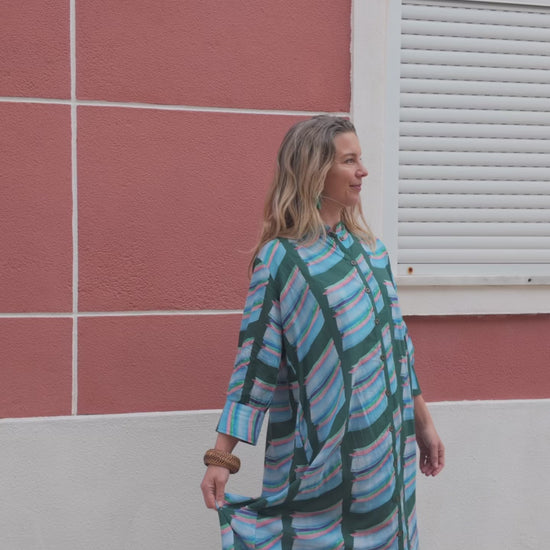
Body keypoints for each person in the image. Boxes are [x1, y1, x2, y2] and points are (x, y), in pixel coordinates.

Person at [200, 115, 444, 549]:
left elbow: (398, 348)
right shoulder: (281, 260)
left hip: (388, 458)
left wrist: (423, 423)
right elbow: (255, 365)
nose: (363, 171)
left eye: (360, 159)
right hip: (325, 464)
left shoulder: (372, 252)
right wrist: (222, 455)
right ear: (315, 171)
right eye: (349, 161)